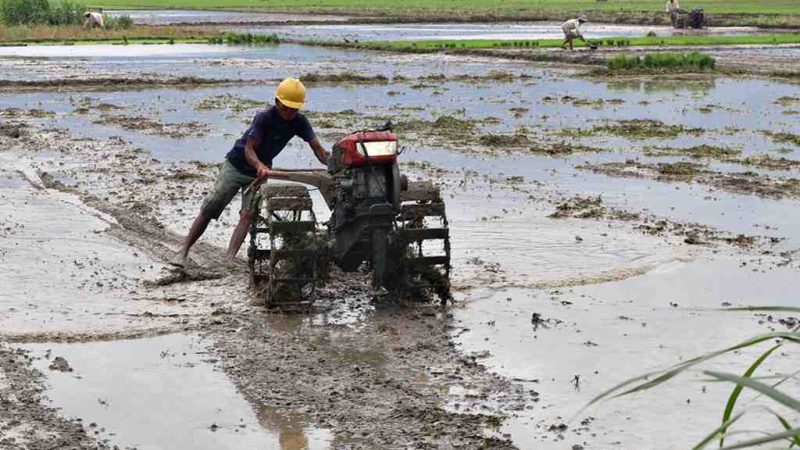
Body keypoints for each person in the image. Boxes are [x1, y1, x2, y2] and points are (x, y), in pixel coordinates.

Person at [174, 77, 330, 267]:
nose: (290, 113)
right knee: (210, 208)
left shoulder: (300, 122)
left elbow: (318, 149)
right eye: (286, 108)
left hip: (259, 174)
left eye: (294, 109)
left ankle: (229, 259)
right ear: (277, 102)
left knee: (247, 215)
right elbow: (249, 149)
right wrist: (260, 166)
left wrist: (332, 164)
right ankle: (183, 250)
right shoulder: (264, 117)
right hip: (237, 166)